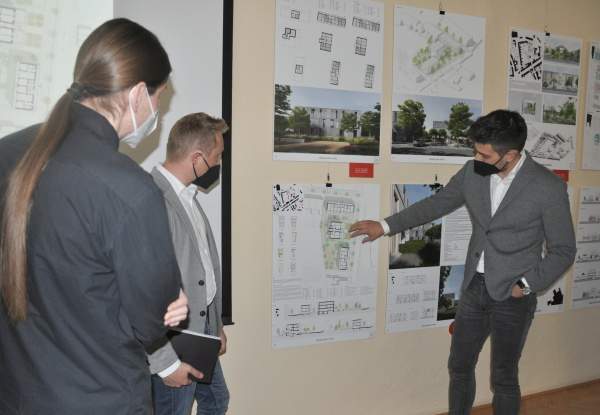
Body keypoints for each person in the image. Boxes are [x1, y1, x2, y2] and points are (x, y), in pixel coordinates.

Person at [0, 18, 189, 414]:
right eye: (159, 98)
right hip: (100, 397)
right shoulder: (129, 188)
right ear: (137, 94)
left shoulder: (8, 152)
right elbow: (151, 322)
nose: (157, 110)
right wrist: (173, 304)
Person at [350, 110, 576, 415]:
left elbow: (564, 250)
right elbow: (436, 204)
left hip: (513, 295)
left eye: (484, 154)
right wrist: (384, 225)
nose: (476, 159)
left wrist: (526, 285)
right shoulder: (473, 172)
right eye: (475, 151)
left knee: (503, 377)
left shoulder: (547, 187)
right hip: (473, 288)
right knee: (459, 366)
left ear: (510, 155)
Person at [148, 113, 230, 415]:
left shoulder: (189, 196)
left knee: (216, 400)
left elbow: (203, 266)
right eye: (217, 157)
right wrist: (163, 361)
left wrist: (216, 325)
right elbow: (145, 288)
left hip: (201, 330)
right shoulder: (152, 198)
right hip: (174, 338)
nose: (219, 164)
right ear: (197, 158)